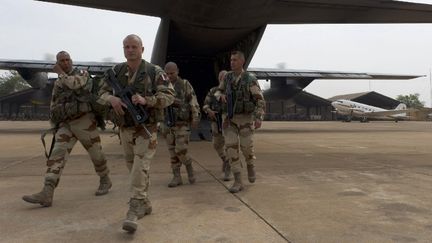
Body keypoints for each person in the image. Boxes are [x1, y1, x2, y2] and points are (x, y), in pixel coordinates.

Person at [99, 34, 175, 233]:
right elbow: (100, 93)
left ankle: (133, 209)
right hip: (124, 128)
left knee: (140, 165)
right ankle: (146, 204)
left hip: (146, 128)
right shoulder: (116, 71)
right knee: (133, 167)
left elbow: (169, 96)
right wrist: (112, 100)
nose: (130, 50)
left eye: (134, 46)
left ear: (142, 49)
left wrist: (146, 100)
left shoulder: (154, 71)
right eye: (126, 46)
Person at [22, 51, 112, 207]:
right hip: (66, 124)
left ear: (71, 61)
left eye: (67, 59)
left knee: (96, 154)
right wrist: (55, 123)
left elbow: (75, 84)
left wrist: (61, 74)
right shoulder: (58, 83)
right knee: (56, 155)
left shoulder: (82, 73)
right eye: (61, 61)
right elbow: (54, 103)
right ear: (58, 62)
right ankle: (47, 192)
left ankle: (105, 179)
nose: (65, 63)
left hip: (84, 121)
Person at [216, 51, 266, 193]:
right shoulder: (227, 78)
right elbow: (217, 91)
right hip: (230, 119)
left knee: (246, 147)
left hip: (245, 119)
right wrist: (221, 96)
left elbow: (260, 100)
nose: (232, 62)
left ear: (242, 62)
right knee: (231, 148)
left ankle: (250, 164)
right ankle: (238, 180)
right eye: (231, 60)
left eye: (235, 60)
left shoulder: (250, 79)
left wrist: (258, 117)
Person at [161, 62, 201, 188]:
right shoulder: (162, 86)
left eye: (172, 73)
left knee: (181, 150)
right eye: (167, 74)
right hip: (167, 124)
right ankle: (176, 177)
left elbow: (192, 100)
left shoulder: (184, 84)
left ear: (177, 71)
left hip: (181, 123)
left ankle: (189, 166)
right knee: (172, 152)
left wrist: (195, 117)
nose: (169, 76)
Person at [202, 70, 231, 181]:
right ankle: (225, 159)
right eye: (220, 77)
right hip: (216, 122)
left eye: (224, 77)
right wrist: (209, 111)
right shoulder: (213, 91)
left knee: (229, 145)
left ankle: (228, 168)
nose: (222, 79)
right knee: (216, 145)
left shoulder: (232, 91)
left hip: (228, 123)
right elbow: (205, 104)